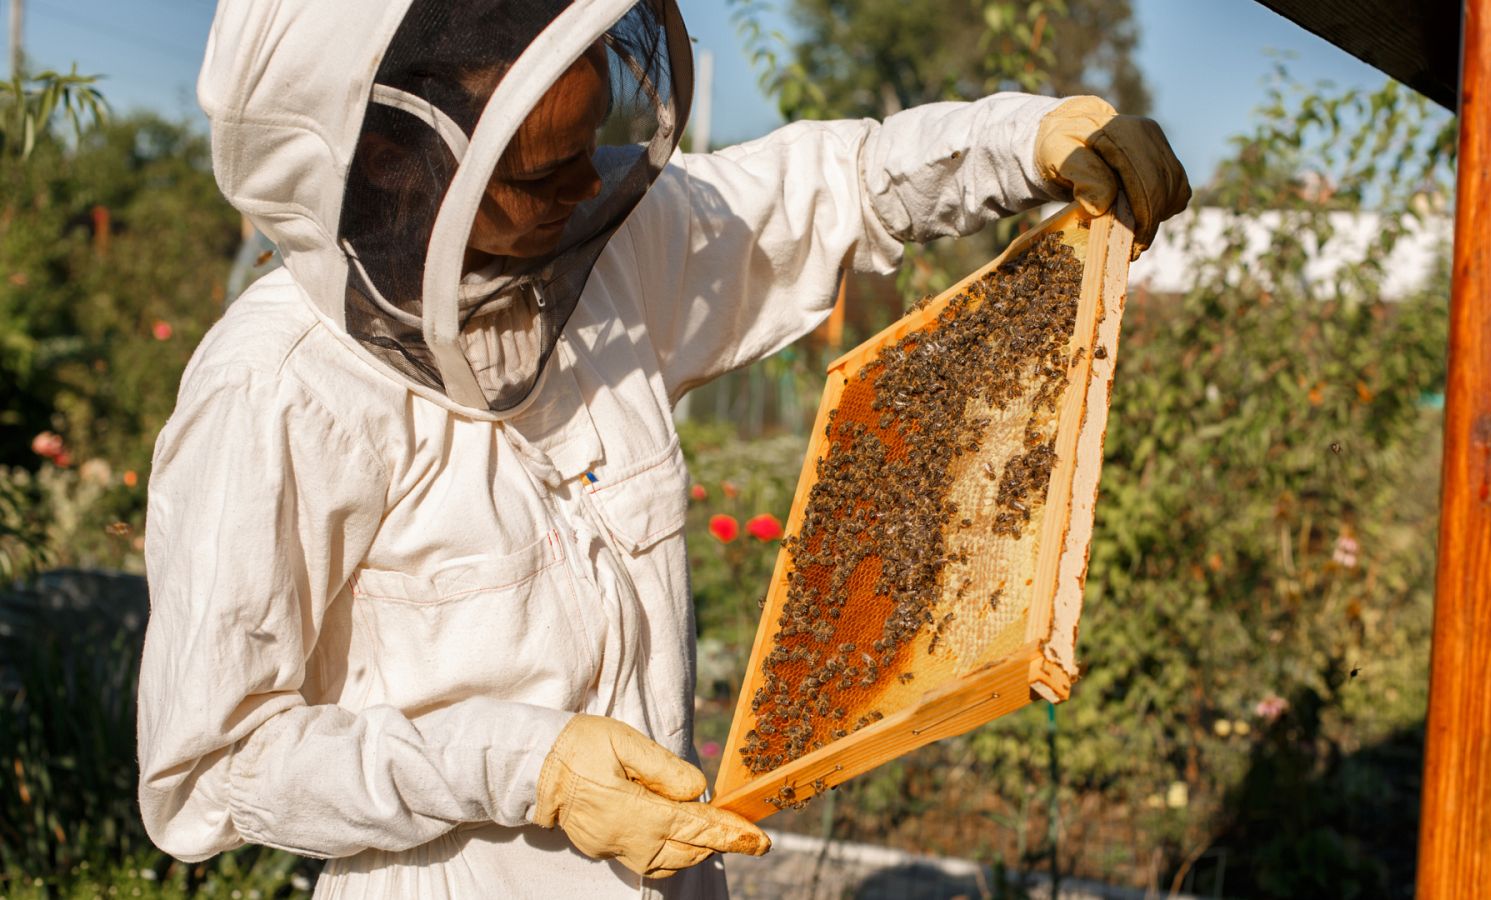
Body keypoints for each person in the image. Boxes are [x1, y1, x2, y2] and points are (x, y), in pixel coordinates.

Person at [135, 0, 1190, 897]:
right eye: (540, 173)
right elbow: (212, 766)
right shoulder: (274, 391)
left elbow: (841, 185)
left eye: (591, 145)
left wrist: (1025, 140)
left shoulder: (606, 251)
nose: (587, 189)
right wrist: (525, 766)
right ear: (391, 161)